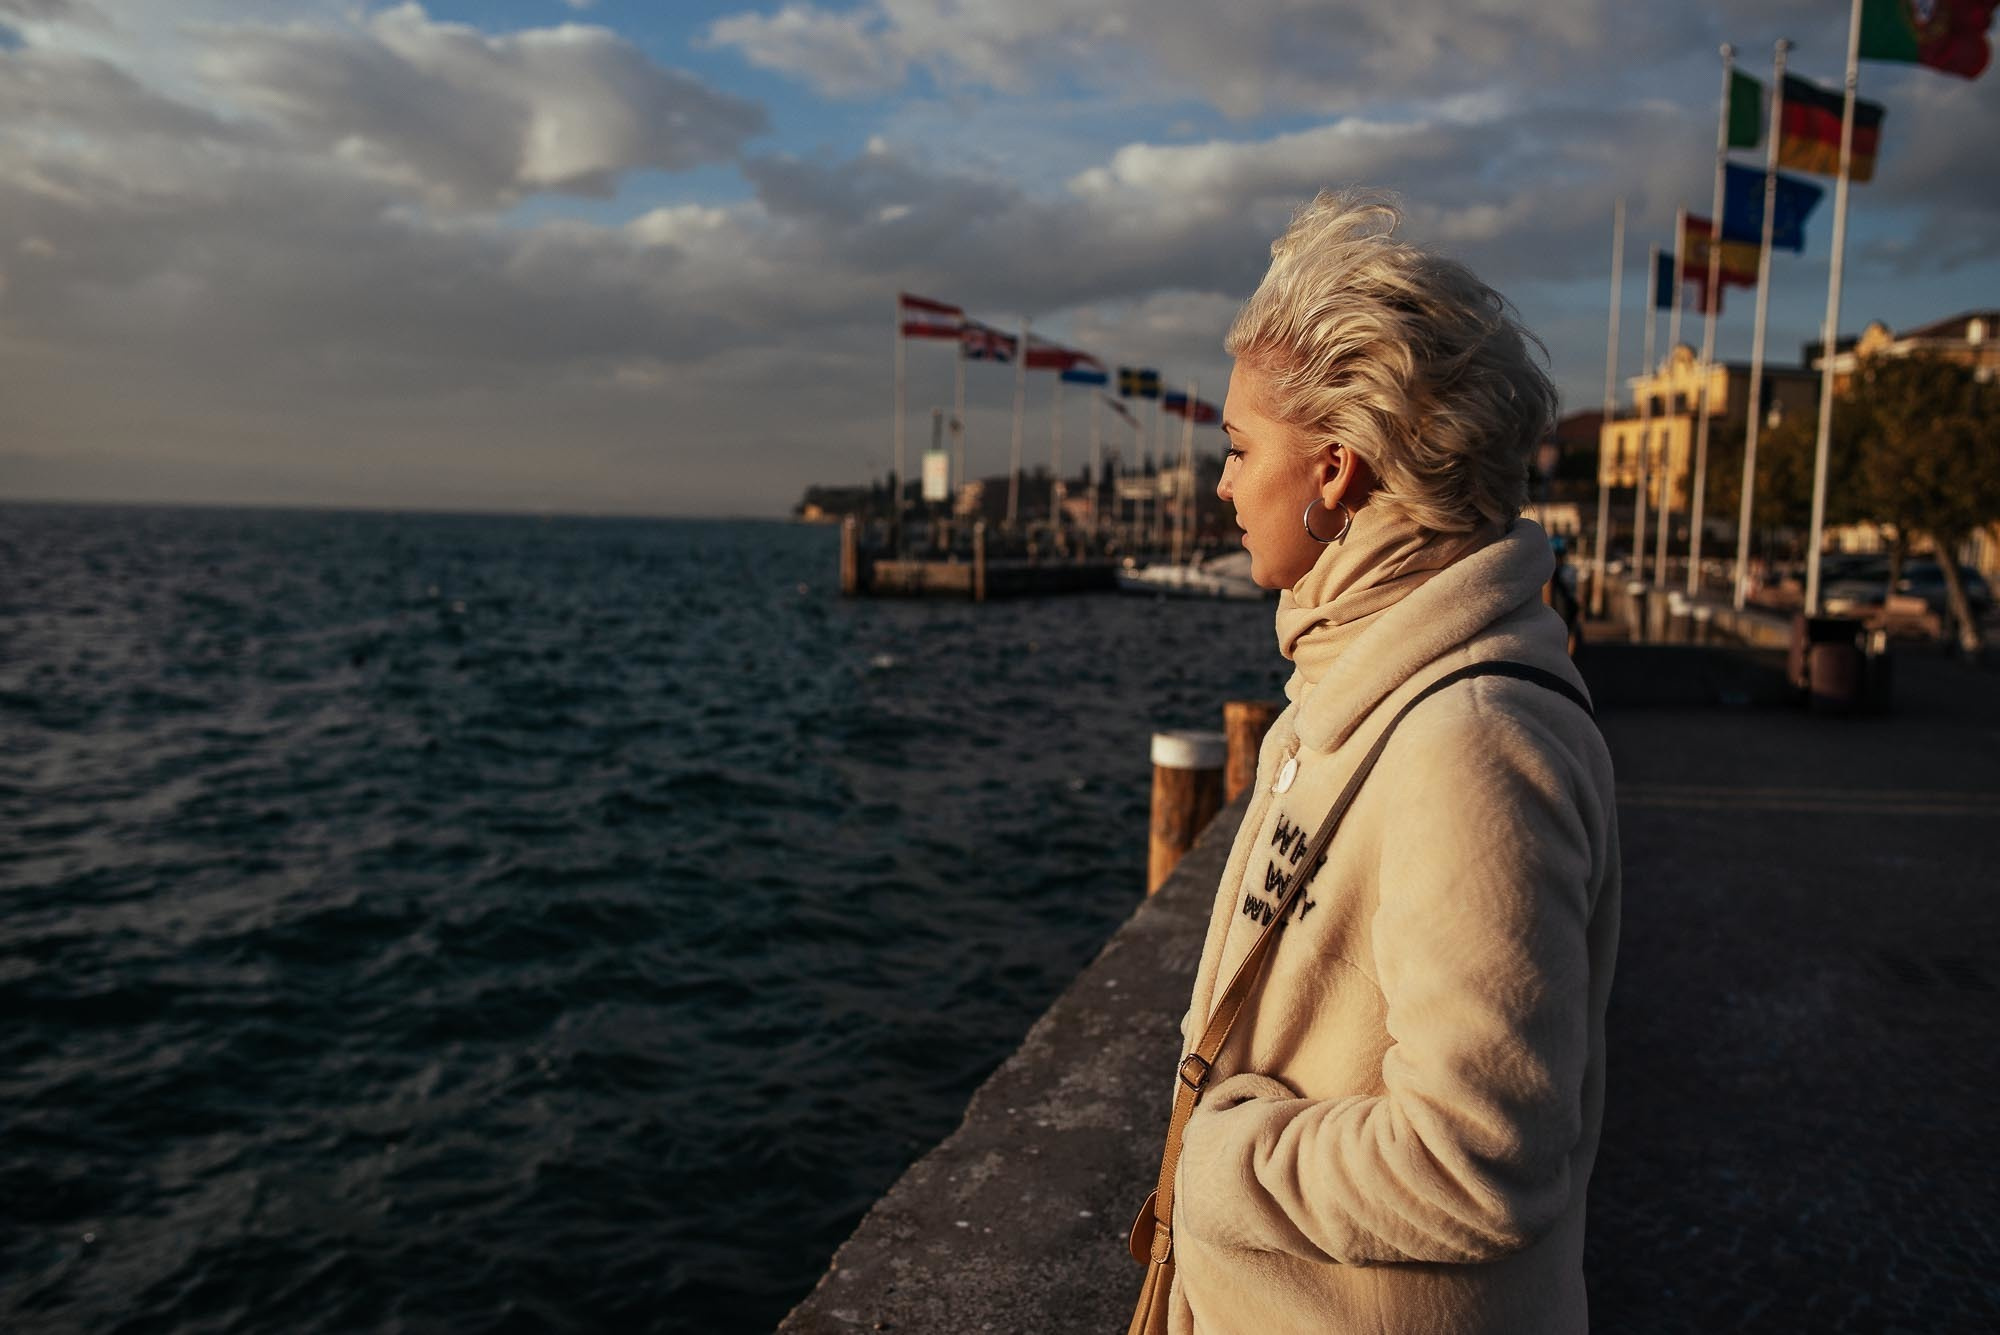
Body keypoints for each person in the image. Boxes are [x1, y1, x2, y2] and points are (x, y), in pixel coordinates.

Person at [1166, 192, 1620, 1334]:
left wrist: (1213, 1155)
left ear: (1334, 469)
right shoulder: (1357, 694)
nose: (1217, 482)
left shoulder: (1466, 743)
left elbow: (1477, 1160)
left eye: (1235, 448)